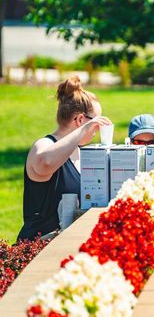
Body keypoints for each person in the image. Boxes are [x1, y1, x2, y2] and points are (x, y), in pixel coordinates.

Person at [17, 76, 112, 241]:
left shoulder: (79, 151)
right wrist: (84, 130)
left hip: (68, 245)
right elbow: (45, 163)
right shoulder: (43, 145)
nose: (97, 130)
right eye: (96, 123)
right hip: (38, 247)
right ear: (80, 120)